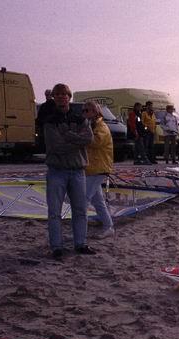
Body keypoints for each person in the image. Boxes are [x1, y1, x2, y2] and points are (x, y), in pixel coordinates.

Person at [44, 83, 94, 258]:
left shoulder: (79, 118)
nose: (61, 97)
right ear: (53, 97)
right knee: (54, 212)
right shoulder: (50, 121)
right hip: (57, 171)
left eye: (63, 94)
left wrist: (69, 136)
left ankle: (81, 243)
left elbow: (89, 139)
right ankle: (57, 247)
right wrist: (77, 141)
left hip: (77, 171)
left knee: (80, 210)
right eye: (57, 94)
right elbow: (56, 146)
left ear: (69, 97)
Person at [83, 101, 114, 239]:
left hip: (98, 168)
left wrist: (82, 133)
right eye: (83, 111)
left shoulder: (102, 127)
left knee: (84, 199)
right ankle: (108, 227)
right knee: (98, 201)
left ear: (95, 112)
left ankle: (80, 231)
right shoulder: (93, 125)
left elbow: (95, 142)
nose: (84, 113)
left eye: (87, 110)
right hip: (92, 168)